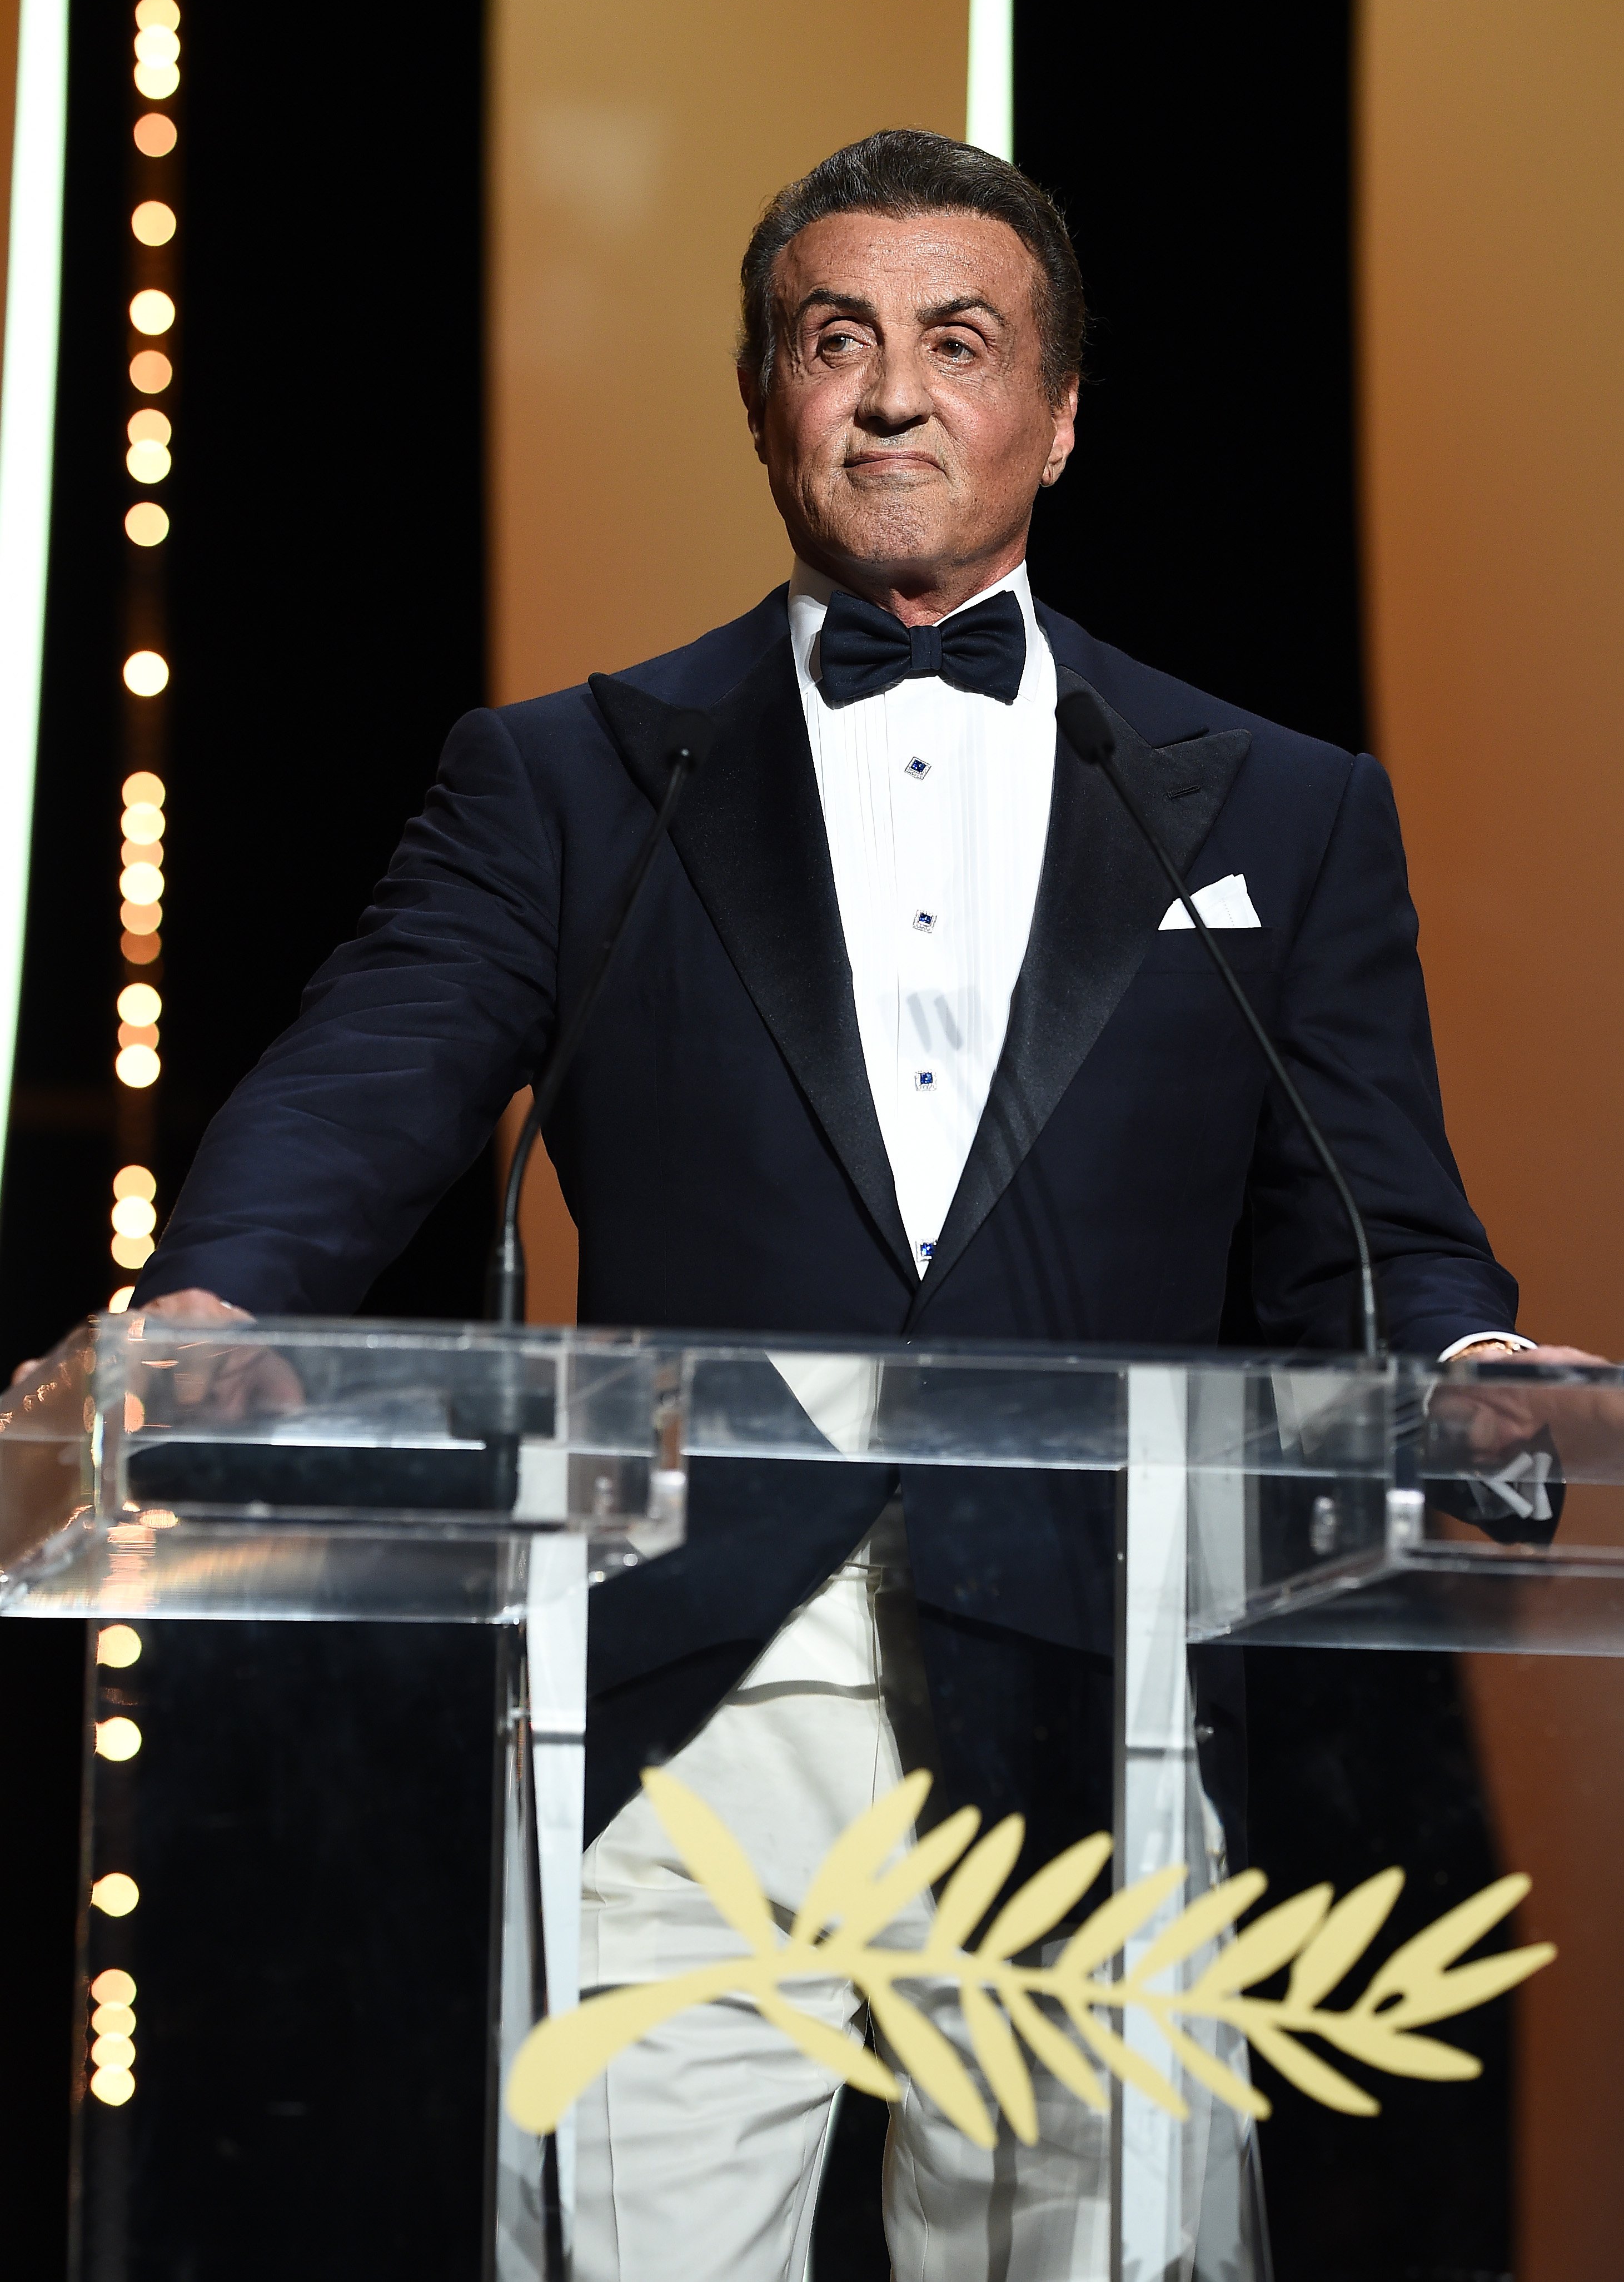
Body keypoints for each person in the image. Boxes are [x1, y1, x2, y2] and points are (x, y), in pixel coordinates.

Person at [132, 131, 1590, 2279]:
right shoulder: (575, 783)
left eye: (958, 342)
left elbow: (1371, 1216)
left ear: (1059, 412)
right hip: (702, 1696)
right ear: (764, 401)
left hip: (1095, 1682)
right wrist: (220, 1293)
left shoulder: (1277, 803)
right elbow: (376, 1066)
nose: (894, 395)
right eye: (837, 341)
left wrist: (1469, 1366)